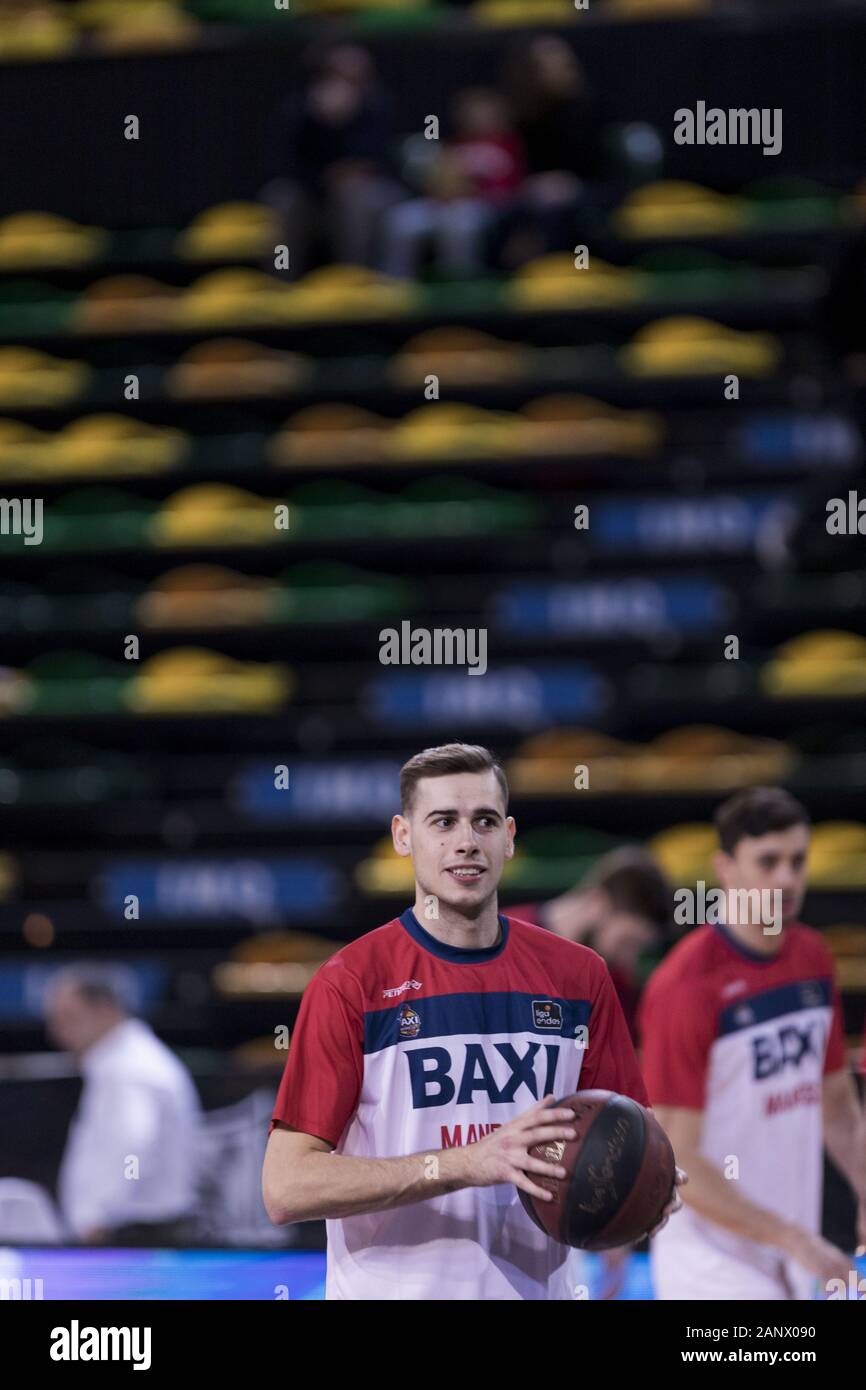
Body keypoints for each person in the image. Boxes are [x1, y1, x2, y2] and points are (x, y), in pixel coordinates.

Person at [262, 741, 684, 1300]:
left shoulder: (580, 977)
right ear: (402, 837)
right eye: (443, 821)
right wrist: (467, 1163)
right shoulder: (351, 983)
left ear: (508, 838)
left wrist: (644, 1190)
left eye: (484, 821)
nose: (466, 841)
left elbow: (626, 1133)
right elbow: (286, 1187)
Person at [639, 786, 866, 1300]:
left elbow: (837, 1101)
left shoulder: (812, 956)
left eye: (797, 861)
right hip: (711, 1265)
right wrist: (793, 1238)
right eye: (768, 861)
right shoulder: (687, 985)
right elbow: (679, 1159)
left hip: (794, 1254)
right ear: (726, 869)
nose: (786, 878)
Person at [45, 965, 202, 1245]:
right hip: (135, 1231)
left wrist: (97, 1219)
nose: (59, 1033)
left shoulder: (129, 1069)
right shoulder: (124, 1061)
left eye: (69, 1018)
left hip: (134, 1235)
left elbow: (131, 1148)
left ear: (105, 1008)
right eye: (55, 1021)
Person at [261, 44, 404, 277]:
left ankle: (354, 279)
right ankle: (281, 281)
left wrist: (345, 122)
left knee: (353, 194)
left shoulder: (378, 105)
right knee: (281, 198)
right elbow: (283, 163)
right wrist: (321, 122)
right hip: (311, 189)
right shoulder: (299, 110)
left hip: (369, 191)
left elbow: (381, 158)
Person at [507, 847, 673, 1043]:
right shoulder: (503, 939)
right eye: (627, 942)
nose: (629, 960)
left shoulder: (617, 984)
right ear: (599, 901)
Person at [382, 89, 525, 280]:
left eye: (483, 113)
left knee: (459, 224)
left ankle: (457, 285)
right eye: (471, 113)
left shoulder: (508, 144)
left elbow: (511, 188)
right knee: (401, 220)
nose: (477, 119)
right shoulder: (453, 144)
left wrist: (469, 190)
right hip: (442, 204)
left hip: (485, 207)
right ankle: (395, 284)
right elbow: (434, 182)